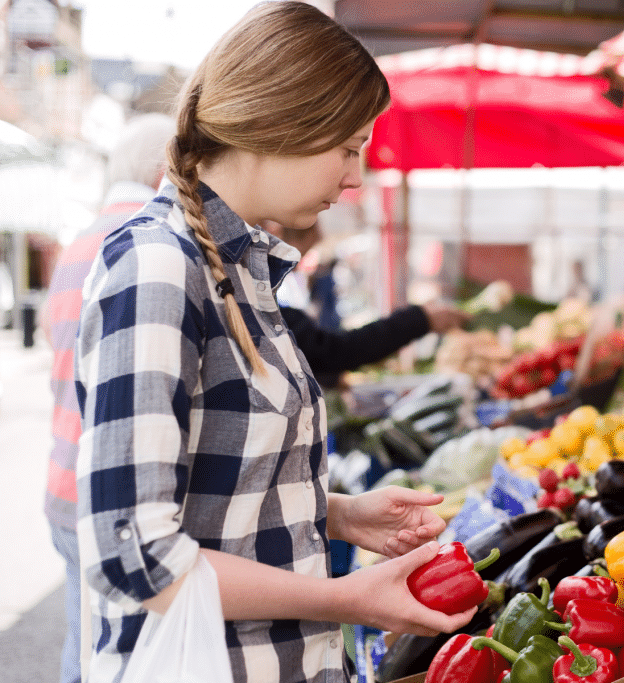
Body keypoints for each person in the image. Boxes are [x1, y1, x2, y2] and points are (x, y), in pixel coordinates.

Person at [74, 5, 475, 683]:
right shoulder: (158, 267)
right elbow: (135, 549)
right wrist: (347, 598)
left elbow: (216, 487)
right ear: (280, 123)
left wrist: (339, 515)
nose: (355, 178)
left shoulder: (242, 268)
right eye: (348, 148)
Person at [40, 112, 177, 683]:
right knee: (117, 659)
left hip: (64, 480)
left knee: (89, 649)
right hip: (110, 497)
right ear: (161, 170)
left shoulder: (79, 241)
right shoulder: (145, 239)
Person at [264, 219, 469, 388]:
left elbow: (319, 350)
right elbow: (332, 350)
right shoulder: (260, 304)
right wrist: (419, 320)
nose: (301, 261)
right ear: (276, 233)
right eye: (307, 249)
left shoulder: (266, 299)